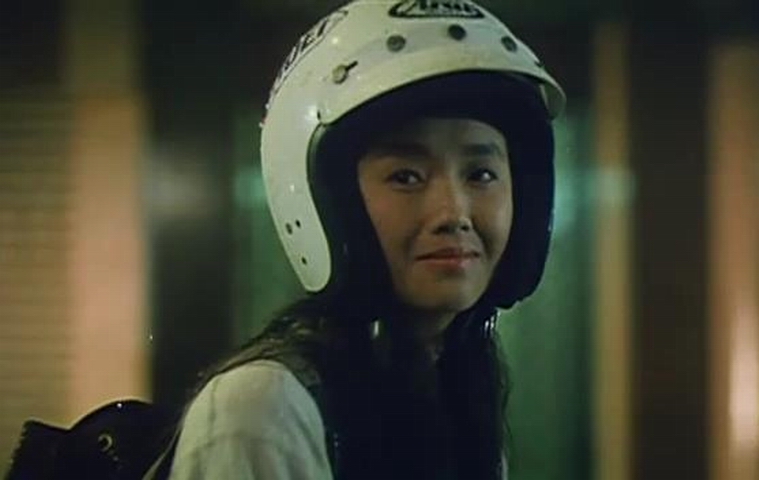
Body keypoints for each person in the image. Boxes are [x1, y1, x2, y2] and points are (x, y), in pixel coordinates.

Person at [166, 1, 565, 479]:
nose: (455, 213)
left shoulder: (456, 388)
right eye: (406, 177)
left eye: (481, 174)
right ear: (330, 201)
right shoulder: (261, 411)